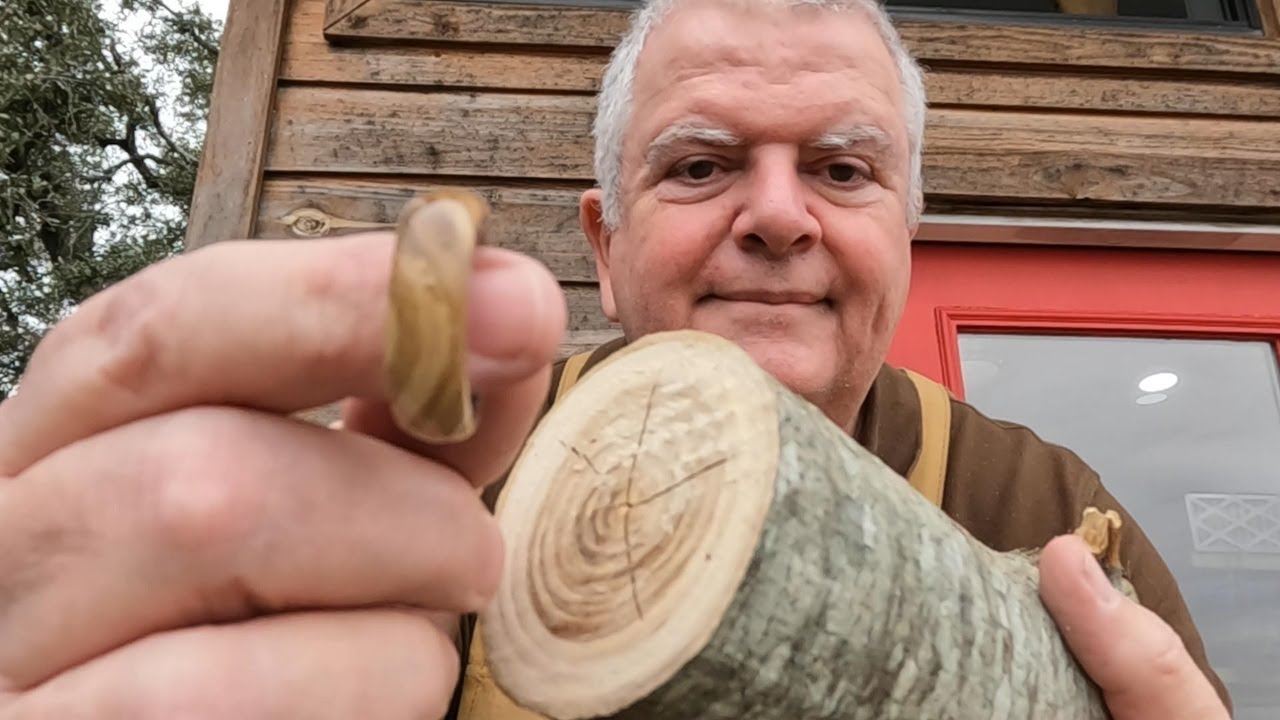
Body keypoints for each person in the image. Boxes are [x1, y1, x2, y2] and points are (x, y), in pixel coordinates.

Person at [0, 0, 1234, 716]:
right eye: (698, 166)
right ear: (605, 240)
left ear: (902, 236)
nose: (775, 214)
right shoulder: (413, 507)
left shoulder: (1051, 513)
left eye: (840, 170)